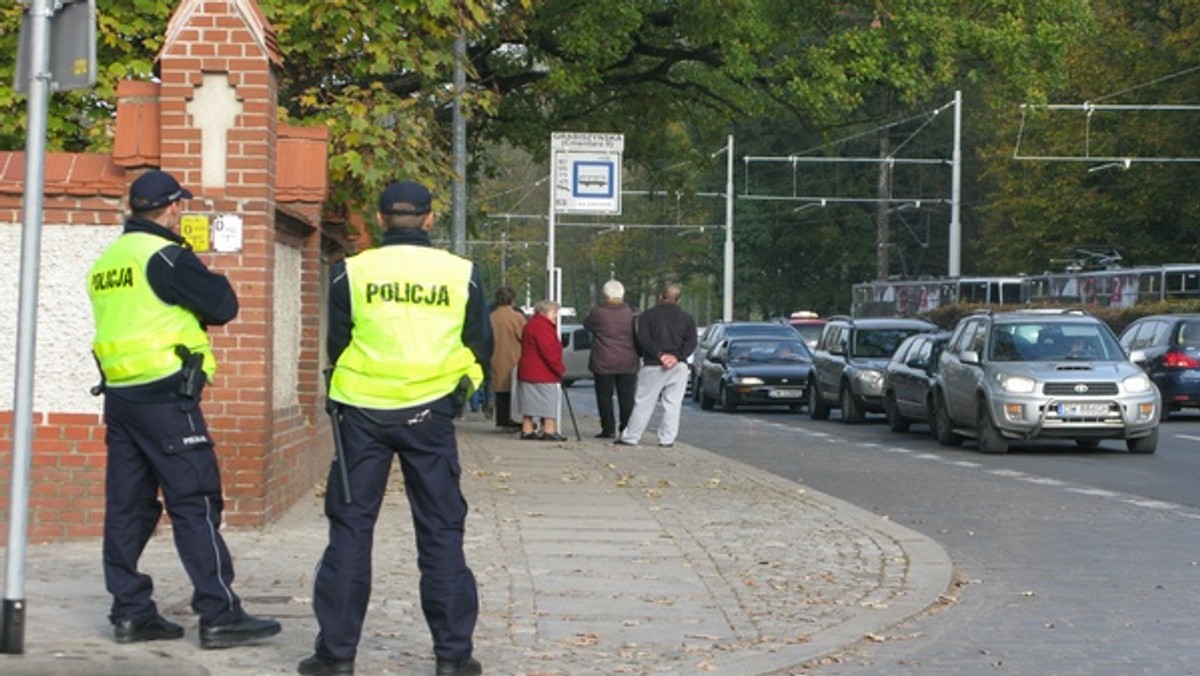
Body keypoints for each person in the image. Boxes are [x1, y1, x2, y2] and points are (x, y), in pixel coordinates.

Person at [299, 181, 490, 676]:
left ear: (381, 220)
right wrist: (455, 396)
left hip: (361, 415)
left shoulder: (349, 273)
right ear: (430, 220)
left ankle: (336, 656)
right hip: (430, 415)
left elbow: (338, 346)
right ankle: (453, 657)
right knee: (441, 532)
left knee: (350, 531)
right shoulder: (461, 274)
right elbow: (480, 346)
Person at [86, 170, 281, 649]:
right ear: (172, 208)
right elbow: (223, 304)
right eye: (179, 207)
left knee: (127, 506)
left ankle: (130, 612)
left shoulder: (107, 262)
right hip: (167, 401)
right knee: (194, 502)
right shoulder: (166, 256)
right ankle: (220, 613)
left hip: (121, 400)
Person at [616, 284, 697, 448]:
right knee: (673, 404)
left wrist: (659, 355)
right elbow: (691, 342)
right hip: (678, 366)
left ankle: (631, 437)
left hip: (653, 365)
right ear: (679, 299)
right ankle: (667, 439)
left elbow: (643, 339)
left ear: (660, 296)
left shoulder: (647, 316)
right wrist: (678, 356)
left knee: (643, 401)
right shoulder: (687, 318)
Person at [583, 280, 639, 438]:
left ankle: (608, 428)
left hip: (603, 360)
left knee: (604, 396)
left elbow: (587, 325)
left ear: (605, 295)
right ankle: (626, 428)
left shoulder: (598, 312)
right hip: (628, 360)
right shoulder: (631, 313)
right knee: (627, 396)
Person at [516, 299, 567, 441]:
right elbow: (549, 350)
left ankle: (527, 430)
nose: (555, 316)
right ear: (544, 312)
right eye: (554, 312)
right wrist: (559, 368)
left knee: (529, 402)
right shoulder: (543, 326)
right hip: (542, 371)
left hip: (528, 369)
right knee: (549, 400)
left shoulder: (531, 324)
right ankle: (549, 430)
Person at [488, 286, 525, 430]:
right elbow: (524, 336)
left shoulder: (491, 316)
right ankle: (509, 419)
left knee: (500, 390)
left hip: (495, 356)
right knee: (512, 390)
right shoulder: (516, 317)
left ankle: (502, 419)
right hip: (513, 356)